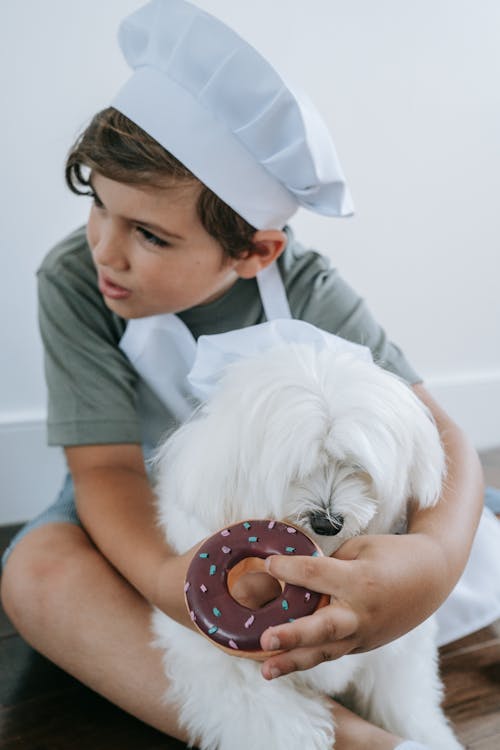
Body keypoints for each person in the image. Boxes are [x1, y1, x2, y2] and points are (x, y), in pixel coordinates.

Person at [2, 2, 500, 748]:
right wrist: (175, 582)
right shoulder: (75, 280)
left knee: (461, 519)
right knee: (34, 576)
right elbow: (105, 470)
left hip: (302, 508)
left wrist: (424, 567)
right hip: (137, 500)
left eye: (149, 234)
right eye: (98, 206)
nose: (107, 249)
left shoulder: (310, 288)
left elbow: (442, 438)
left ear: (256, 253)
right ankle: (344, 739)